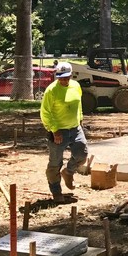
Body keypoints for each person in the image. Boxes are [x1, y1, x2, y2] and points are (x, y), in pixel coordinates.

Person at [40, 62, 88, 203]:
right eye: (60, 77)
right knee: (55, 163)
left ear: (71, 75)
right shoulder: (51, 90)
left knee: (82, 154)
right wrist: (55, 130)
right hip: (58, 131)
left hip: (75, 128)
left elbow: (78, 104)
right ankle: (56, 191)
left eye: (66, 77)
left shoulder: (76, 86)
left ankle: (68, 172)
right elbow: (45, 113)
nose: (63, 80)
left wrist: (80, 120)